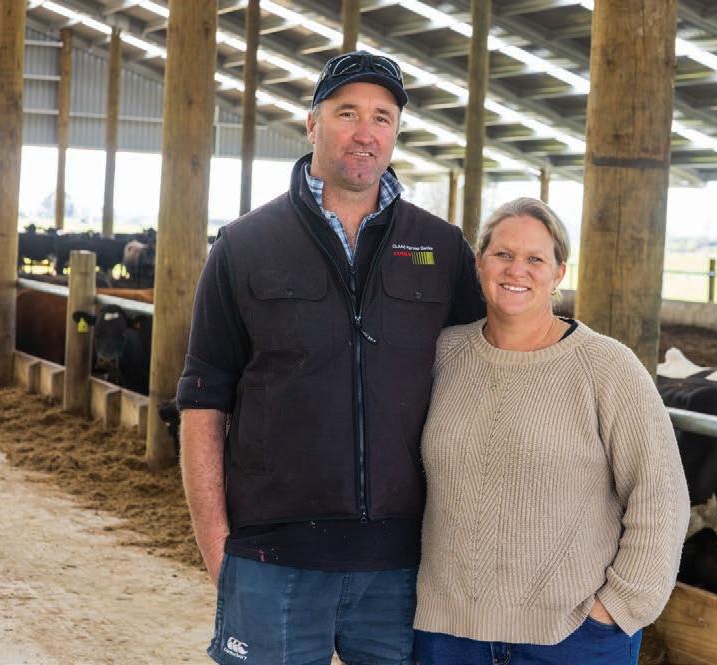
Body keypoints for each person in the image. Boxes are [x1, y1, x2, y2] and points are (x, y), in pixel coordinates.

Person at [176, 51, 484, 665]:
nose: (365, 132)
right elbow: (203, 403)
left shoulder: (442, 248)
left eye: (382, 117)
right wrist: (217, 548)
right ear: (312, 122)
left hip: (405, 563)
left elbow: (488, 378)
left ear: (396, 132)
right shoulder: (243, 245)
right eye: (347, 113)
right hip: (273, 557)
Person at [412, 198, 690, 665]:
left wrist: (618, 608)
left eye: (535, 259)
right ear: (479, 263)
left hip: (572, 637)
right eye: (502, 254)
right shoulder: (443, 355)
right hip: (448, 635)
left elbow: (660, 493)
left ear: (559, 272)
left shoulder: (606, 366)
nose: (516, 270)